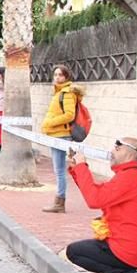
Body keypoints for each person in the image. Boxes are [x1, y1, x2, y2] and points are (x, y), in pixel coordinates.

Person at [64, 137, 137, 273]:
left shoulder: (129, 178)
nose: (112, 151)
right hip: (132, 246)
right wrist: (77, 170)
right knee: (88, 248)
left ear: (132, 153)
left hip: (131, 250)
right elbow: (98, 194)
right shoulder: (127, 176)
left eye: (118, 147)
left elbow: (94, 200)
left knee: (75, 252)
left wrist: (82, 166)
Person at [41, 65, 82, 213]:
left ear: (67, 77)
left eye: (60, 75)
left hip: (61, 134)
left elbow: (69, 115)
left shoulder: (67, 93)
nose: (57, 77)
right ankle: (59, 201)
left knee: (59, 171)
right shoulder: (59, 92)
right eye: (55, 74)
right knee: (58, 170)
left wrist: (49, 123)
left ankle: (59, 202)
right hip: (55, 134)